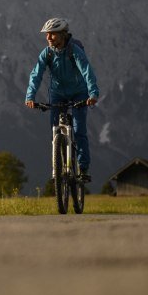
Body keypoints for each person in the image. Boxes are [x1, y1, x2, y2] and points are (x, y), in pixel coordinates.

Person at [24, 17, 100, 182]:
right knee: (55, 132)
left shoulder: (74, 50)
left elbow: (86, 69)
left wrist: (93, 94)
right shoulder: (47, 53)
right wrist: (30, 96)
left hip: (79, 93)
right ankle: (56, 169)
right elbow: (36, 74)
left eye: (52, 34)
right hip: (58, 94)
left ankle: (83, 167)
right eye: (47, 35)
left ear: (63, 35)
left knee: (79, 130)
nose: (48, 38)